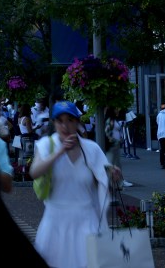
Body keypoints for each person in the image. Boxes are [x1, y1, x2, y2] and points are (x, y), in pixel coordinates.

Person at [30, 101, 114, 268]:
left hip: (86, 220)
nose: (65, 125)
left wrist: (113, 173)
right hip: (55, 222)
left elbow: (104, 177)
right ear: (54, 123)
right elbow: (34, 172)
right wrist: (59, 152)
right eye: (60, 120)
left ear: (77, 122)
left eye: (70, 120)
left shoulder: (91, 148)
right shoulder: (46, 145)